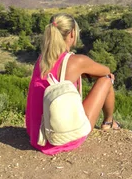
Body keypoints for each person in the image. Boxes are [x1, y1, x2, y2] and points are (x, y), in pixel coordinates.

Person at [26, 13, 121, 155]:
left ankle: (109, 121)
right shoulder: (77, 61)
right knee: (107, 79)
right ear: (72, 33)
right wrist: (86, 71)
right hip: (63, 138)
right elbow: (106, 71)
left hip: (36, 135)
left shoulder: (41, 60)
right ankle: (108, 122)